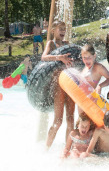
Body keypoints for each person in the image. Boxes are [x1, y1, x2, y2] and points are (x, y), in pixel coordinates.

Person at [42, 20, 75, 150]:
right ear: (53, 30)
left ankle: (67, 150)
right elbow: (44, 57)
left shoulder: (67, 44)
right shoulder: (51, 43)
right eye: (60, 29)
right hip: (59, 85)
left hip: (70, 84)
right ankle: (46, 149)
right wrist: (59, 57)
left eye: (64, 29)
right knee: (58, 121)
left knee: (71, 120)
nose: (63, 31)